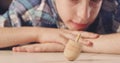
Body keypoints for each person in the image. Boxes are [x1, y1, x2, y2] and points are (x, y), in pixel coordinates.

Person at [0, 0, 120, 54]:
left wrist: (74, 45)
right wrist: (39, 33)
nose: (84, 15)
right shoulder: (30, 6)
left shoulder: (112, 5)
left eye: (95, 1)